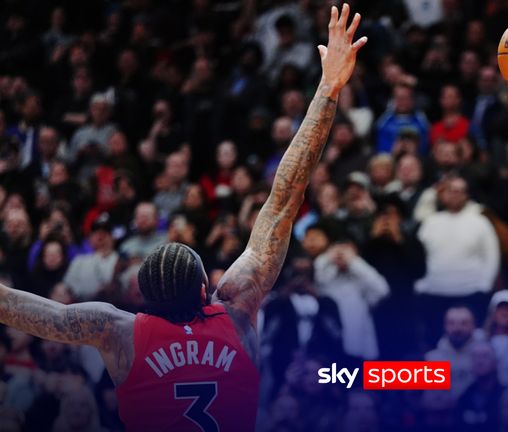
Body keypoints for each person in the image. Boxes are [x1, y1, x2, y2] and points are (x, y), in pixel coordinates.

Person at [0, 4, 367, 431]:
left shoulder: (117, 331)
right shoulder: (235, 311)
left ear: (145, 300)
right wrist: (328, 89)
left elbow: (19, 308)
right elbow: (285, 197)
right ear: (205, 288)